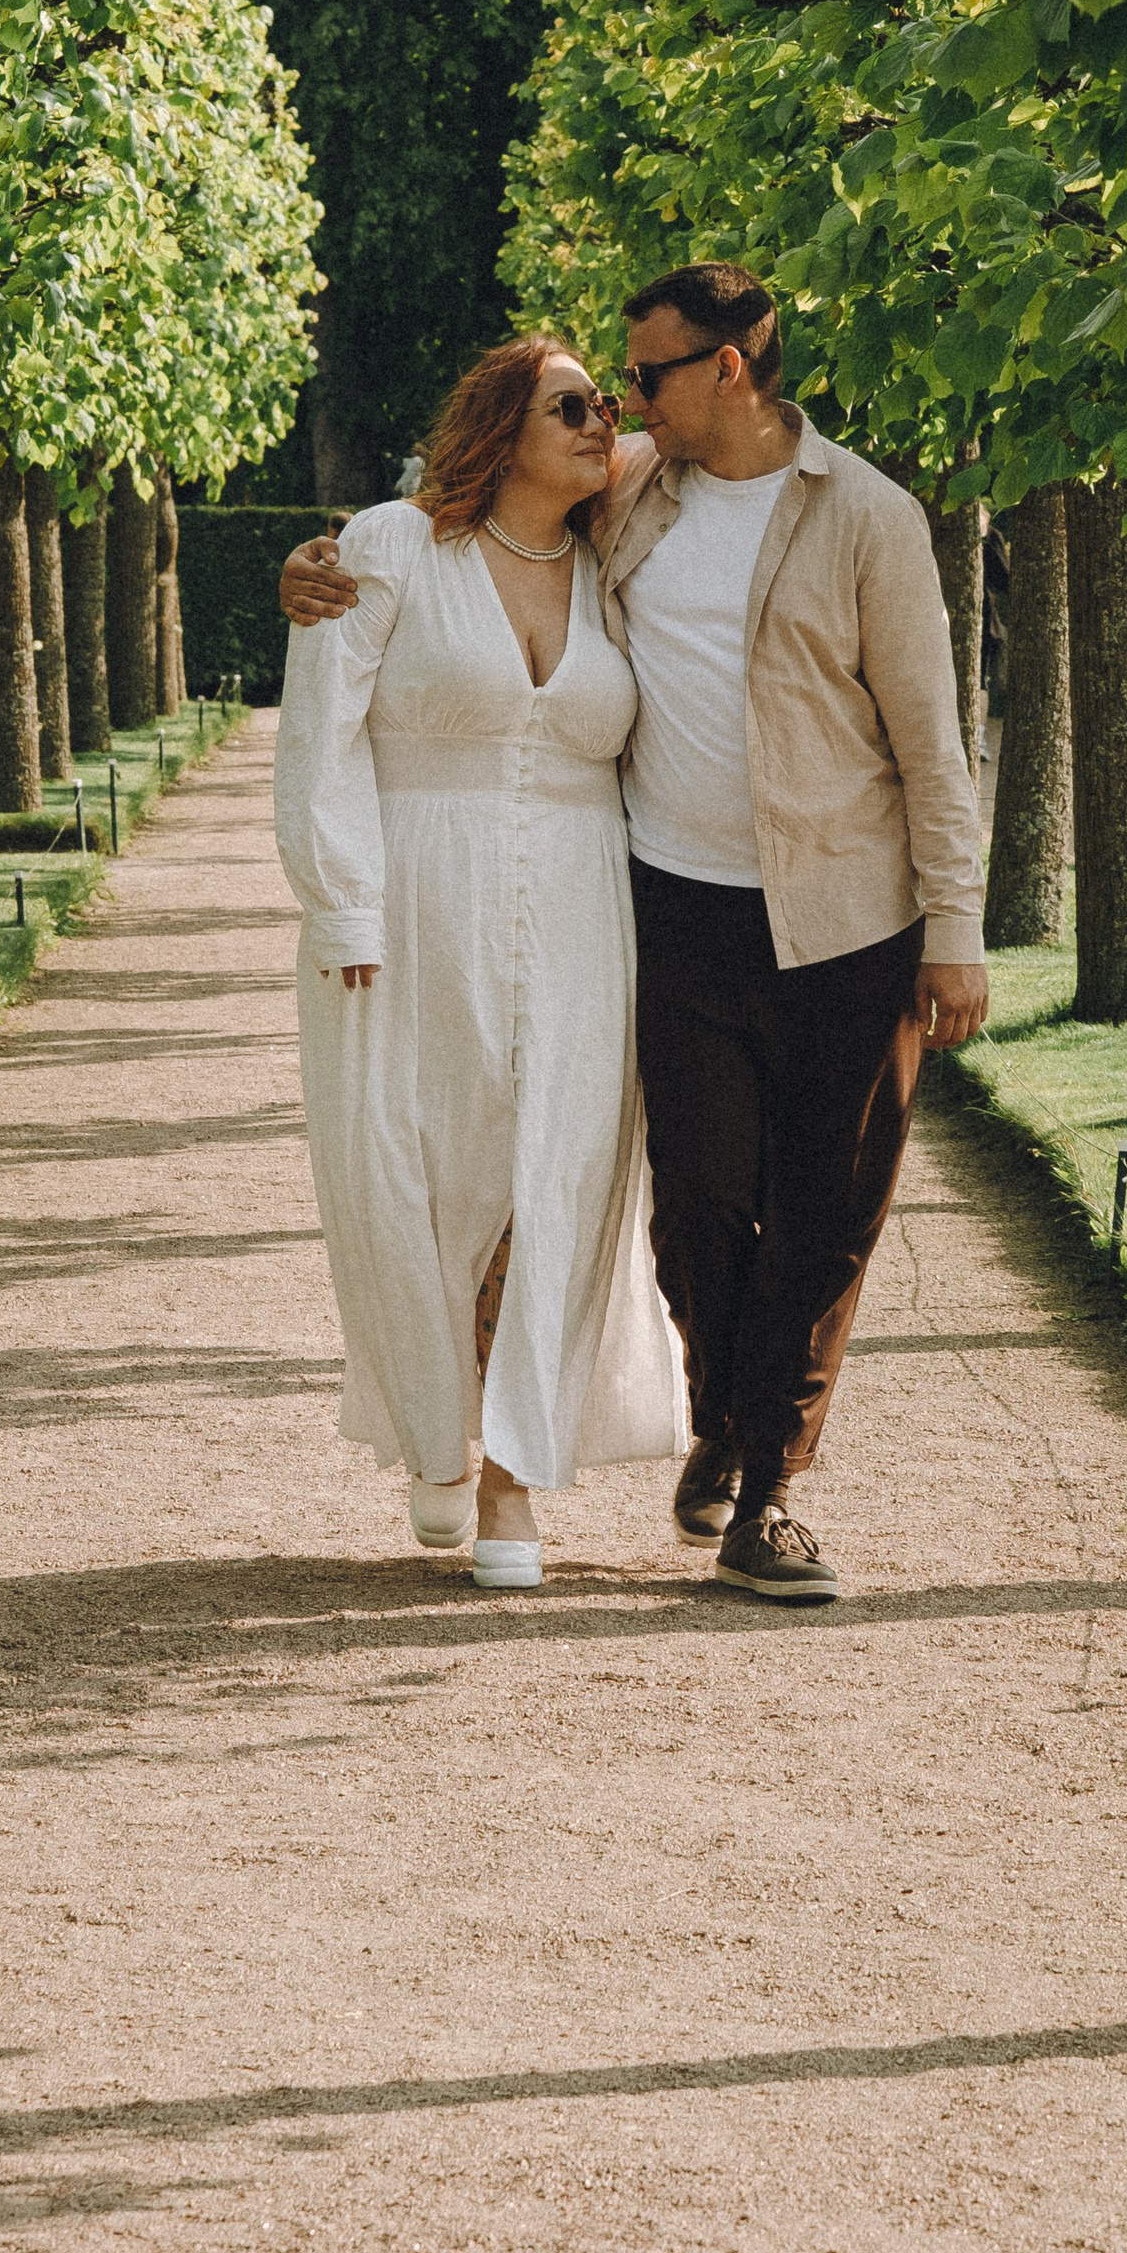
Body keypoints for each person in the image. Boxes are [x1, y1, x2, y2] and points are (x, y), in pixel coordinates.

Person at [282, 263, 987, 1606]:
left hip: (828, 913)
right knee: (692, 1210)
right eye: (600, 393)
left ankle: (749, 1484)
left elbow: (934, 744)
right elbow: (426, 559)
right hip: (662, 904)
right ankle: (688, 1417)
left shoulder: (868, 520)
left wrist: (954, 929)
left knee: (785, 1207)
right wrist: (315, 563)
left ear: (727, 368)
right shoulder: (632, 499)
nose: (619, 406)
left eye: (642, 379)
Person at [275, 337, 683, 1595]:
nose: (597, 420)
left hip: (580, 911)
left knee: (552, 1173)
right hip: (410, 898)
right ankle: (430, 1426)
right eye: (570, 403)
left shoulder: (619, 561)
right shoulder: (393, 546)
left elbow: (715, 436)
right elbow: (320, 731)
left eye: (605, 406)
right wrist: (344, 909)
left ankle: (512, 1466)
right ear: (501, 427)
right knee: (410, 1176)